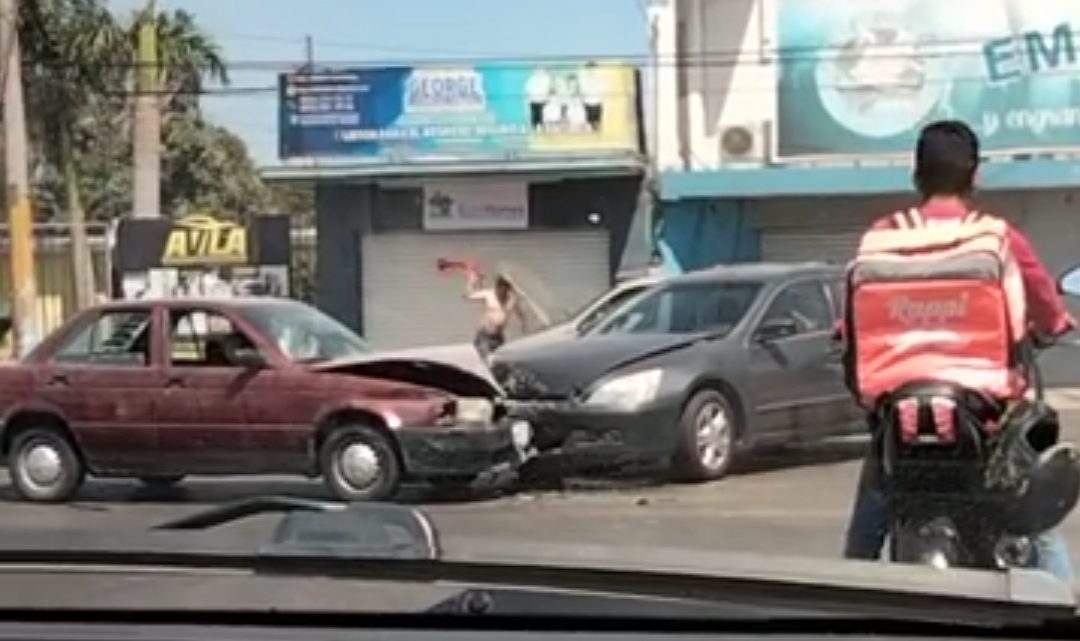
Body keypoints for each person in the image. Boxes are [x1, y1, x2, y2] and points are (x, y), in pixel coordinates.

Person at [839, 120, 1077, 581]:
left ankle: (848, 599)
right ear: (975, 175)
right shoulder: (997, 235)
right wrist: (1056, 324)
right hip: (983, 420)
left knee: (873, 506)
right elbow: (1047, 306)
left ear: (916, 174)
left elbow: (848, 324)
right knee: (1032, 521)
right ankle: (1062, 609)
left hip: (899, 418)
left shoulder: (883, 235)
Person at [465, 269, 524, 361]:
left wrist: (523, 326)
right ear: (497, 287)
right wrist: (472, 281)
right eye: (500, 290)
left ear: (508, 289)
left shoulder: (512, 299)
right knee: (488, 361)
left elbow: (520, 313)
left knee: (500, 364)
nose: (501, 293)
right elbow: (468, 296)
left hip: (499, 337)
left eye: (505, 290)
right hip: (484, 336)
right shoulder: (488, 294)